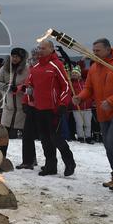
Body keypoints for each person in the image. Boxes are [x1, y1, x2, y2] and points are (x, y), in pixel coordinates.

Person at [72, 38, 113, 191]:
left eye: (97, 50)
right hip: (102, 112)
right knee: (108, 145)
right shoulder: (94, 68)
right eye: (93, 51)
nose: (94, 53)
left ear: (108, 49)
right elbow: (89, 88)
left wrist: (112, 101)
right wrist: (80, 97)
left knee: (112, 142)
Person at [26, 40, 76, 176]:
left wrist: (63, 103)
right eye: (39, 48)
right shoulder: (35, 67)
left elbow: (66, 85)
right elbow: (29, 86)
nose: (40, 50)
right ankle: (50, 165)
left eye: (43, 48)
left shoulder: (56, 65)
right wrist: (28, 101)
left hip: (54, 108)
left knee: (56, 137)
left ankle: (69, 162)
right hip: (39, 108)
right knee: (45, 139)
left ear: (51, 49)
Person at [0, 48, 29, 142]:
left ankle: (27, 153)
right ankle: (2, 151)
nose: (14, 59)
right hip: (8, 106)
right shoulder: (4, 68)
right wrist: (7, 87)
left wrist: (23, 88)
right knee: (4, 135)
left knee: (26, 138)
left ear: (22, 58)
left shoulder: (27, 69)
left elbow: (32, 85)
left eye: (17, 57)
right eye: (13, 56)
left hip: (23, 108)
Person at [16, 47, 40, 170]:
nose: (34, 57)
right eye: (33, 54)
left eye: (36, 54)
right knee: (27, 134)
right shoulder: (30, 68)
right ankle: (28, 160)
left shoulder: (46, 67)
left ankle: (52, 163)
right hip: (31, 105)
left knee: (49, 136)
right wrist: (25, 101)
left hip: (44, 106)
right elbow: (28, 85)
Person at [69, 66, 92, 141]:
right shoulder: (71, 84)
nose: (74, 74)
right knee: (79, 123)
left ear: (79, 74)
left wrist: (91, 100)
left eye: (76, 73)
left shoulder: (85, 82)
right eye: (73, 73)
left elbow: (90, 92)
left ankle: (88, 137)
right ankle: (80, 137)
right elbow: (69, 95)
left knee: (88, 123)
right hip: (77, 108)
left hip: (87, 107)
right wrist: (72, 101)